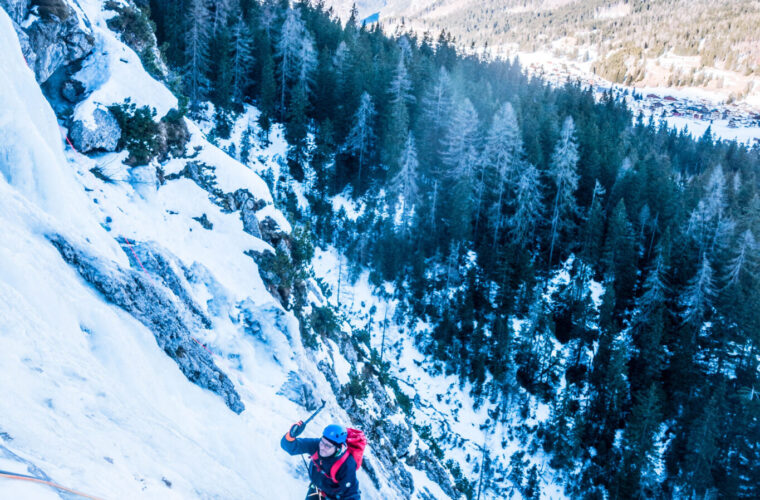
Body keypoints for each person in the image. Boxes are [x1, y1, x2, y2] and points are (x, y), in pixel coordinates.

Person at [281, 421, 361, 500]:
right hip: (316, 489)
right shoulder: (317, 445)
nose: (322, 447)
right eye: (322, 442)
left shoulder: (346, 465)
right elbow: (291, 448)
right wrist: (291, 435)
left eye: (328, 446)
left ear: (339, 448)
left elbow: (352, 495)